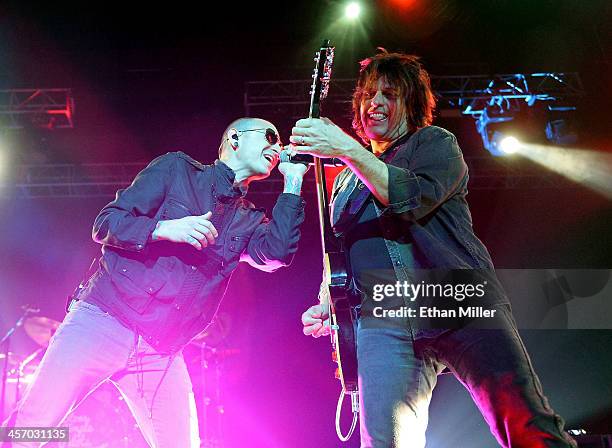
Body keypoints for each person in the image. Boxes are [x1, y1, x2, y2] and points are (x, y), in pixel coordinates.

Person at [296, 50, 576, 447]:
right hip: (385, 311)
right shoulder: (345, 181)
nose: (375, 103)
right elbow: (340, 251)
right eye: (368, 95)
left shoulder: (434, 143)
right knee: (386, 442)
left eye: (389, 95)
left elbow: (408, 197)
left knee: (523, 421)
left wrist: (346, 149)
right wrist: (328, 299)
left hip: (452, 295)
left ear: (410, 103)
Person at [6, 117, 308, 448]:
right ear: (235, 140)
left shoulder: (247, 219)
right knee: (32, 428)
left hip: (161, 350)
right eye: (268, 136)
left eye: (278, 141)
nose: (276, 146)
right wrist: (163, 229)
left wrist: (293, 181)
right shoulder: (176, 170)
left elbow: (277, 254)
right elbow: (107, 223)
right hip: (102, 320)